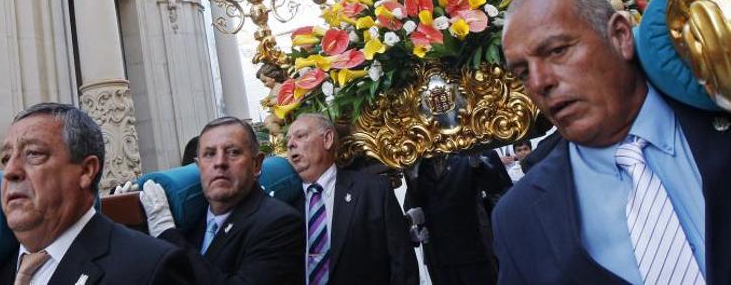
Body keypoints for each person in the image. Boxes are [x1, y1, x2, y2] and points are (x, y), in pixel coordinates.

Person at [492, 0, 731, 284]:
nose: (539, 82)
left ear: (620, 36)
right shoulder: (518, 219)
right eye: (522, 72)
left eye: (558, 50)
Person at [0, 102, 195, 285]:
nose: (10, 172)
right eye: (6, 158)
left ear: (86, 171)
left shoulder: (148, 268)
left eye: (33, 153)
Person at [143, 116, 305, 284]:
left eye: (233, 152)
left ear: (256, 164)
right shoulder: (188, 218)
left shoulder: (280, 223)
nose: (219, 162)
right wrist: (129, 223)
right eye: (209, 154)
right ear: (199, 166)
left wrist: (166, 233)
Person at [286, 113, 418, 285]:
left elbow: (403, 266)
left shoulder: (374, 191)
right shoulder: (285, 204)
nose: (290, 144)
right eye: (287, 140)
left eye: (301, 136)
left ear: (327, 139)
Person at [404, 153, 510, 285]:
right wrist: (413, 179)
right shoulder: (421, 168)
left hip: (470, 250)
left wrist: (478, 166)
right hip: (440, 256)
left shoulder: (464, 159)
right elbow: (411, 206)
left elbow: (494, 186)